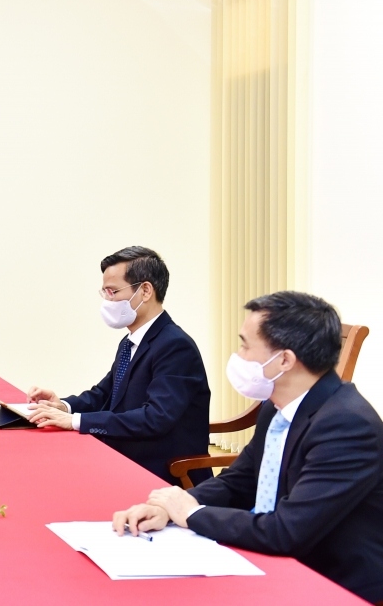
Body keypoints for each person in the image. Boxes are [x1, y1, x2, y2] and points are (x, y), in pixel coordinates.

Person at [114, 291, 383, 601]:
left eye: (245, 345)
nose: (238, 355)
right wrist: (168, 507)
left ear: (284, 360)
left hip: (336, 583)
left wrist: (193, 514)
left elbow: (286, 532)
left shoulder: (347, 426)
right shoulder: (278, 404)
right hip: (280, 561)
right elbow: (240, 480)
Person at [27, 246, 211, 485]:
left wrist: (76, 422)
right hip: (125, 455)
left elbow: (155, 418)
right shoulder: (130, 341)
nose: (108, 300)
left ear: (145, 290)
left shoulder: (175, 346)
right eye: (104, 292)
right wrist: (63, 406)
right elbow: (105, 394)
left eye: (113, 291)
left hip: (160, 472)